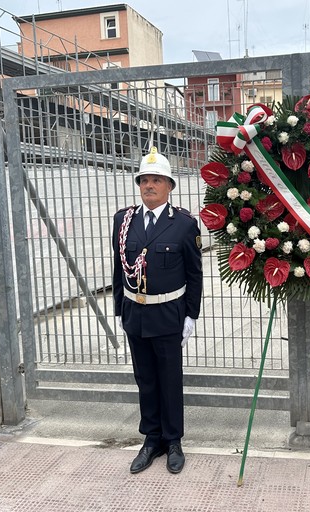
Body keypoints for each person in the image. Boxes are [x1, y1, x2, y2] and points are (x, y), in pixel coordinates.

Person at [112, 147, 203, 475]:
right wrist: (120, 309)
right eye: (144, 180)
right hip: (136, 314)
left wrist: (191, 315)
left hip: (169, 315)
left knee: (169, 379)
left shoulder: (183, 224)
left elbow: (194, 273)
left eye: (156, 180)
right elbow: (118, 270)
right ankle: (151, 440)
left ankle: (174, 440)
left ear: (169, 186)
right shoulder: (123, 221)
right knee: (145, 379)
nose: (149, 185)